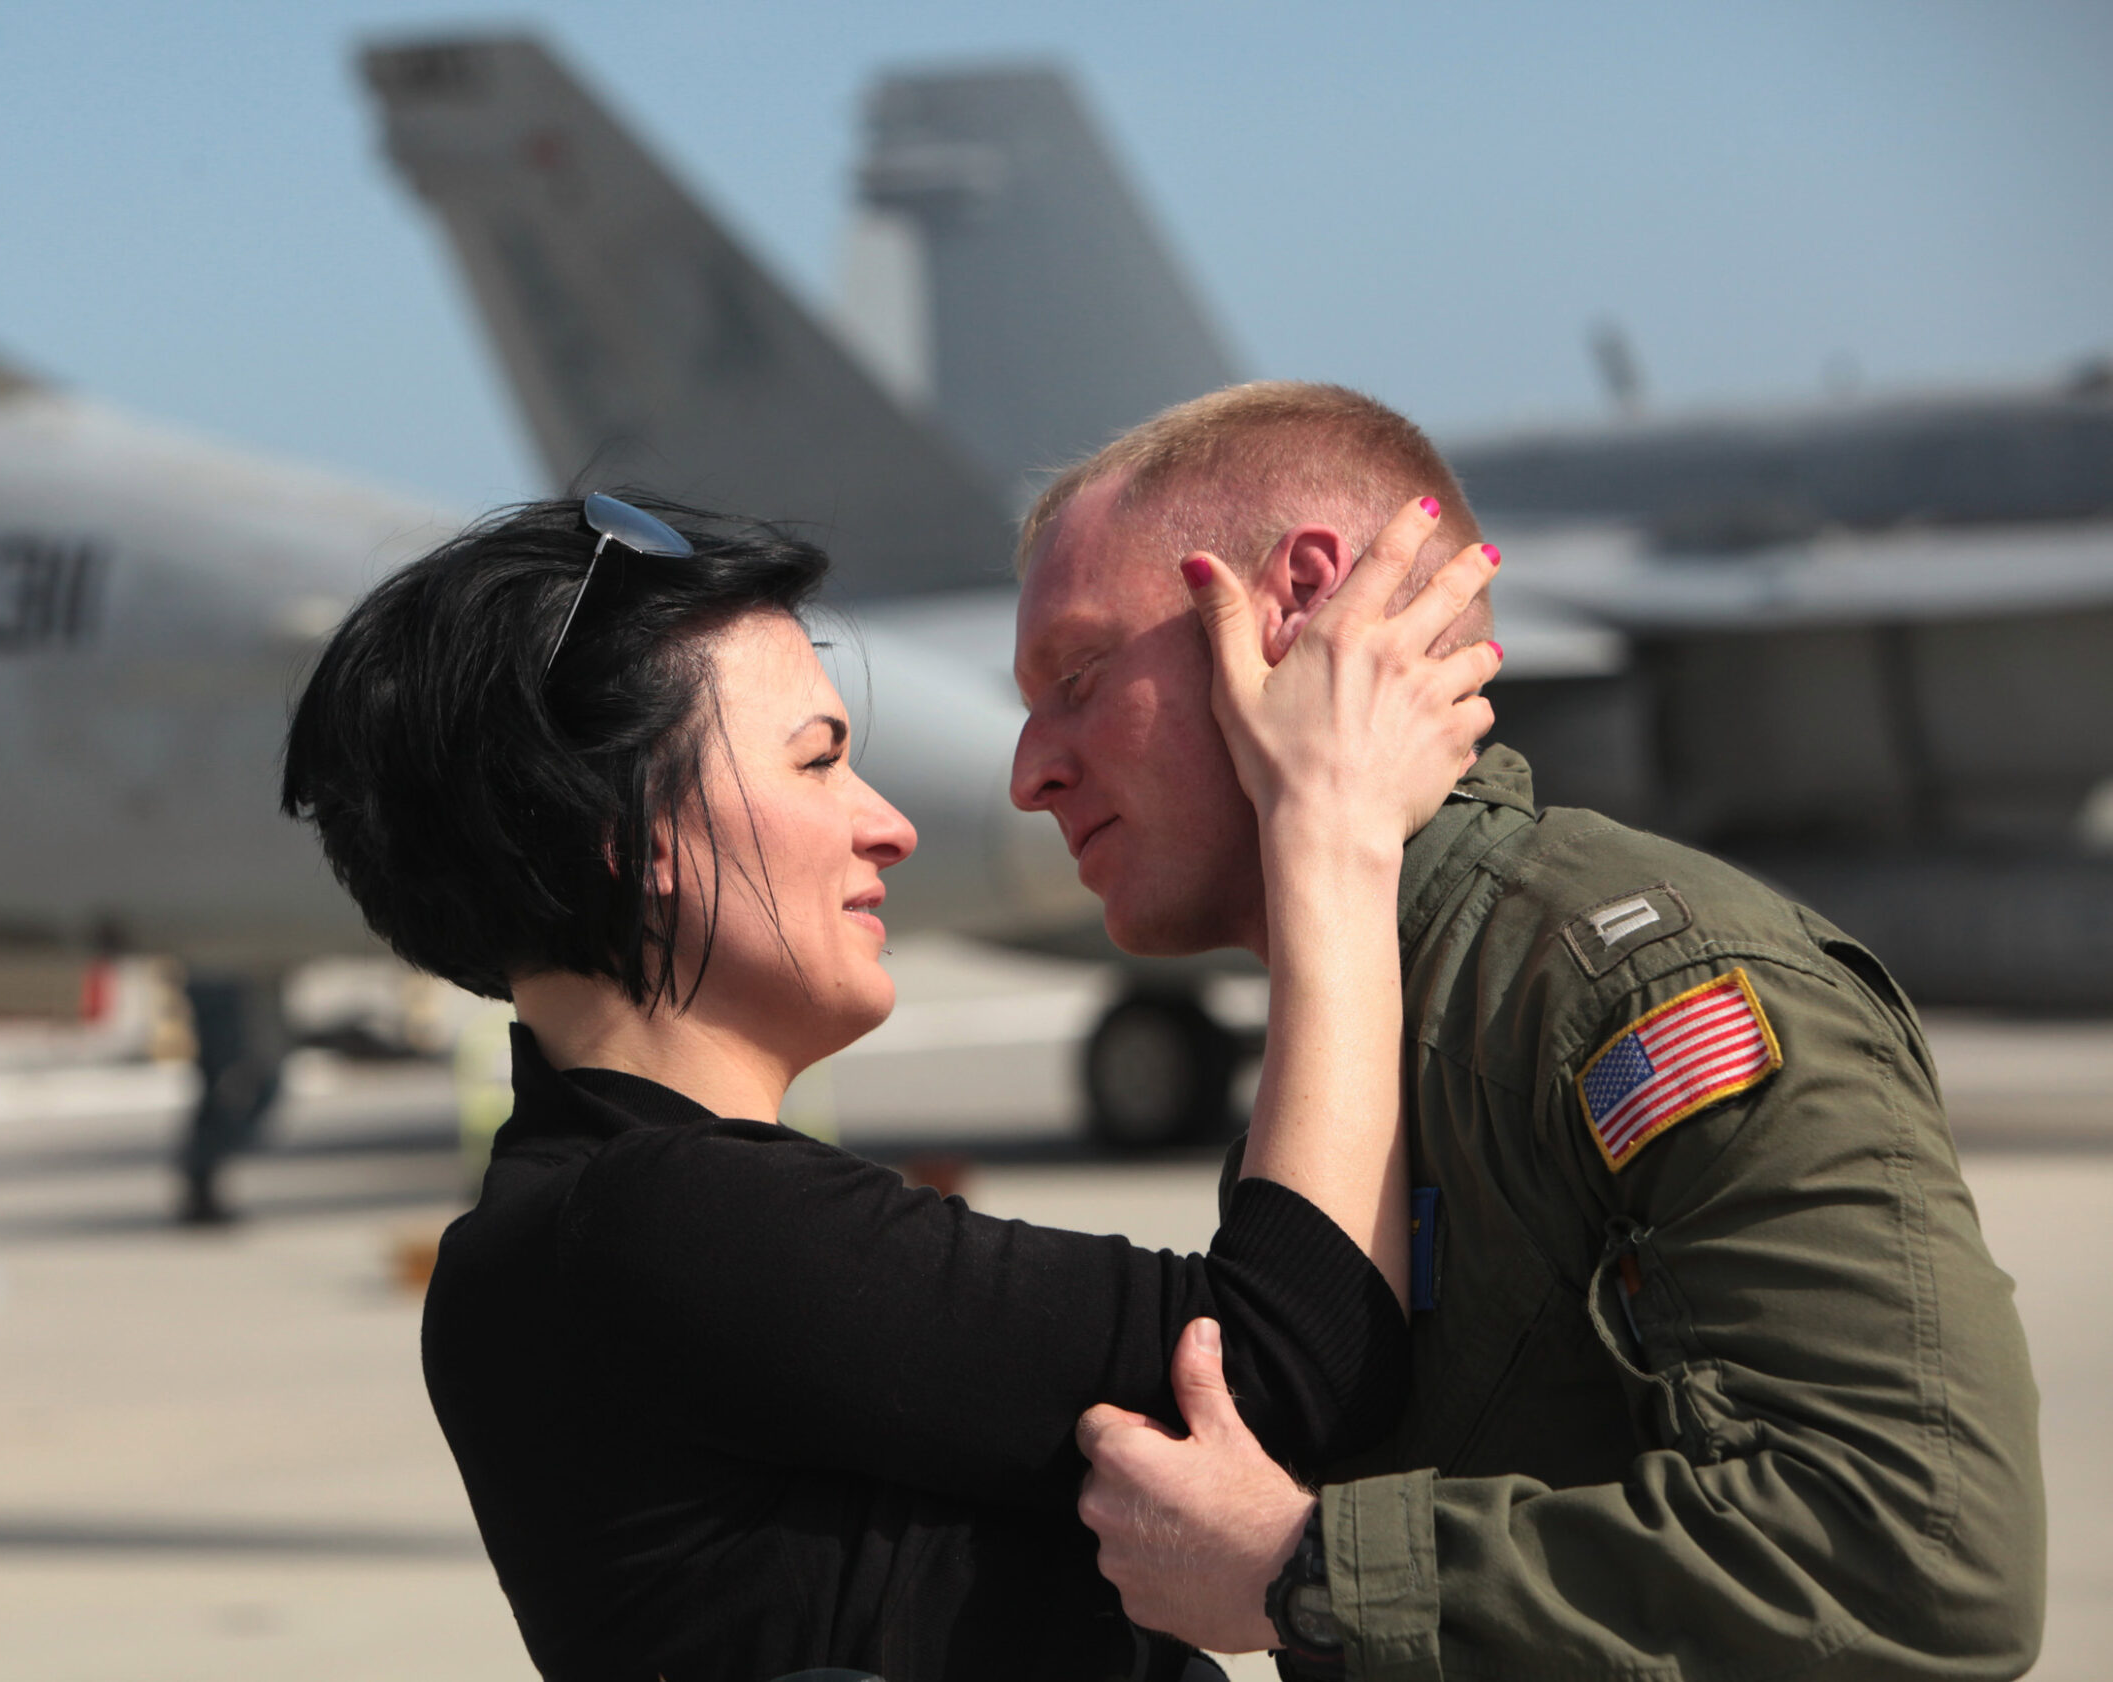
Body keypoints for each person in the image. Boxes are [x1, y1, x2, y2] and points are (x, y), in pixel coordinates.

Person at [278, 492, 1500, 1681]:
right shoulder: (669, 1219)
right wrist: (1328, 829)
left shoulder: (564, 1230)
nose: (888, 826)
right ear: (638, 832)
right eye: (818, 763)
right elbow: (1285, 1361)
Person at [1011, 382, 2045, 1678]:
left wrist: (1306, 1564)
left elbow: (1922, 1560)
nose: (1028, 768)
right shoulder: (1384, 1026)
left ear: (1302, 600)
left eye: (1083, 673)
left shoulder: (1634, 989)